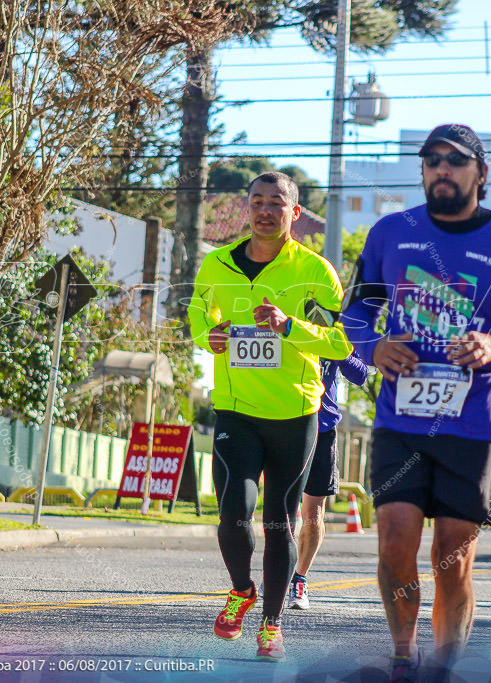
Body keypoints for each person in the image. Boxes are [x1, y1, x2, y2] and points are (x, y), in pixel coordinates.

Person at [342, 123, 491, 681]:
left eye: (455, 161)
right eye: (432, 160)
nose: (442, 168)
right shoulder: (391, 233)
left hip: (473, 422)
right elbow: (354, 315)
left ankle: (444, 666)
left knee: (453, 558)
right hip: (401, 416)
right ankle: (402, 655)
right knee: (393, 538)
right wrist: (374, 346)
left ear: (480, 175)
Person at [187, 171, 352, 662]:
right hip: (236, 408)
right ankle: (242, 590)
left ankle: (272, 625)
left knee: (279, 522)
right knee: (234, 512)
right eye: (256, 201)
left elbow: (339, 343)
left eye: (275, 202)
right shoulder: (217, 265)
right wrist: (209, 335)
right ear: (248, 209)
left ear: (293, 213)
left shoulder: (316, 272)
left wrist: (288, 326)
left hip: (295, 412)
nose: (264, 210)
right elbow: (197, 316)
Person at [290, 351, 368, 610]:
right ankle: (278, 570)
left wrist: (340, 351)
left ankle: (299, 577)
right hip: (284, 424)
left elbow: (360, 375)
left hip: (322, 429)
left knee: (313, 516)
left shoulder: (336, 326)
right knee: (283, 511)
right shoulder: (285, 319)